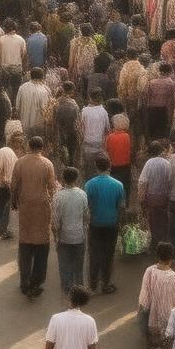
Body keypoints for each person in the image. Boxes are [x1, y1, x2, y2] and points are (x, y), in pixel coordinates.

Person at [10, 136, 58, 299]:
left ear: (29, 146)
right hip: (42, 208)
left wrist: (14, 202)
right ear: (42, 148)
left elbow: (14, 185)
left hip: (26, 208)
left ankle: (25, 282)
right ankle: (36, 282)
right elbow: (52, 188)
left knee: (25, 244)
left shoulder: (20, 163)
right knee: (41, 246)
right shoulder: (47, 164)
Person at [83, 154, 125, 294]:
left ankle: (93, 285)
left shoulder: (89, 184)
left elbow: (86, 206)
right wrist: (120, 222)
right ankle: (106, 284)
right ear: (110, 166)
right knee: (108, 254)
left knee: (94, 254)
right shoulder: (118, 185)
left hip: (95, 224)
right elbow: (121, 207)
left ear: (96, 167)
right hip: (112, 224)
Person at [138, 242, 175, 349]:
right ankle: (163, 347)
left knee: (150, 325)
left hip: (150, 311)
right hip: (167, 313)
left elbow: (145, 293)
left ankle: (152, 345)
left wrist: (143, 307)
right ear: (171, 258)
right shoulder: (174, 277)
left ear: (157, 255)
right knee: (167, 329)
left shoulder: (149, 271)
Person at [51, 166, 89, 294]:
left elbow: (55, 221)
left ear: (63, 179)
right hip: (79, 236)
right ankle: (79, 287)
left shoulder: (58, 197)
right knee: (78, 265)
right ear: (76, 179)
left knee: (64, 264)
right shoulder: (82, 194)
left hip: (64, 237)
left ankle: (67, 287)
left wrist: (56, 237)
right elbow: (86, 216)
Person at [138, 140, 172, 249]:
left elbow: (142, 182)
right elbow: (171, 181)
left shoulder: (149, 163)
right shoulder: (167, 163)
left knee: (152, 220)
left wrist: (141, 199)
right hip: (164, 198)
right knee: (163, 220)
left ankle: (154, 242)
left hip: (151, 198)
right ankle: (163, 241)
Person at [0, 132, 22, 241]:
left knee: (0, 204)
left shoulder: (4, 152)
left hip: (3, 183)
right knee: (5, 208)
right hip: (7, 184)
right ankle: (1, 230)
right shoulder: (8, 152)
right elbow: (1, 169)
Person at [0, 18, 26, 106]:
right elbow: (24, 55)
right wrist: (23, 68)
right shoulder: (21, 39)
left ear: (5, 29)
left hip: (4, 69)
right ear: (15, 28)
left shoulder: (0, 40)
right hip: (17, 68)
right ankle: (15, 107)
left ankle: (7, 108)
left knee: (5, 90)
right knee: (16, 89)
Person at [79, 89, 109, 180]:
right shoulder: (103, 111)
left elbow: (80, 128)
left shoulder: (84, 111)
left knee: (88, 170)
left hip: (87, 144)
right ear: (100, 98)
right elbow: (107, 129)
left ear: (89, 97)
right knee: (99, 169)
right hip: (100, 145)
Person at [141, 62, 175, 139]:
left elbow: (146, 98)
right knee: (162, 136)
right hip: (164, 112)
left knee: (153, 135)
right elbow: (171, 102)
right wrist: (170, 117)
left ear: (160, 71)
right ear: (169, 72)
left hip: (152, 111)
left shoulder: (151, 82)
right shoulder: (171, 84)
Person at [104, 113, 132, 206]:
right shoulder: (127, 136)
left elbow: (107, 150)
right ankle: (126, 206)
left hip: (114, 166)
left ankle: (115, 205)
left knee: (115, 187)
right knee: (126, 187)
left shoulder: (109, 137)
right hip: (126, 166)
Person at [16, 67, 51, 141]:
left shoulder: (22, 88)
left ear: (30, 76)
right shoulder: (44, 90)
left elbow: (17, 107)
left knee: (25, 144)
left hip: (24, 124)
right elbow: (45, 111)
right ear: (42, 77)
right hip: (38, 126)